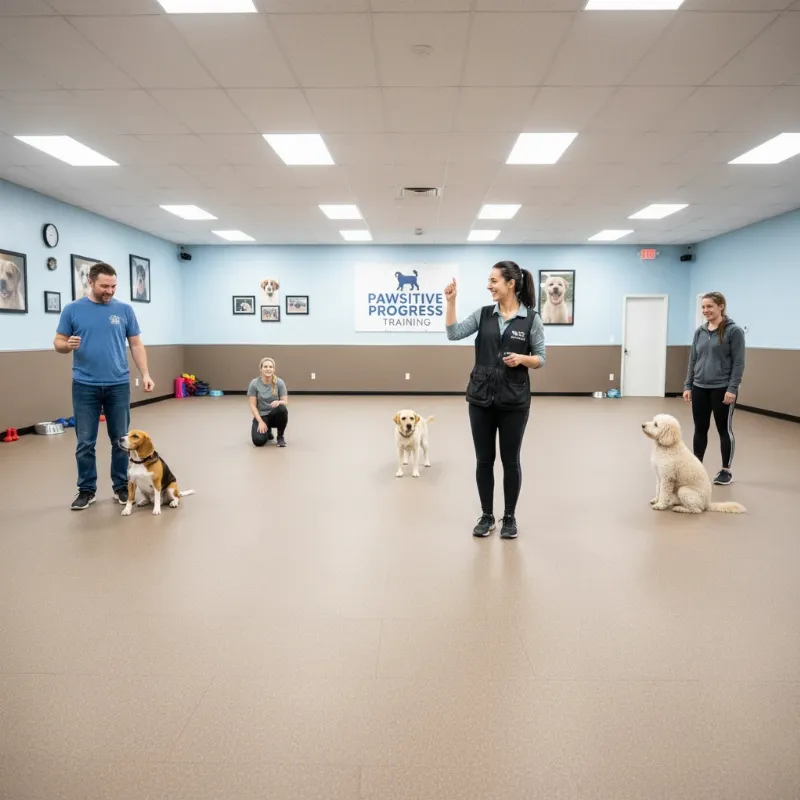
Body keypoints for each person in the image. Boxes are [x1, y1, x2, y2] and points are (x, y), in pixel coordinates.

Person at [445, 261, 546, 539]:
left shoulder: (531, 319)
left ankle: (510, 517)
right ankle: (487, 515)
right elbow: (453, 333)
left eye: (494, 281)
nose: (489, 286)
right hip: (480, 398)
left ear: (510, 283)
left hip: (514, 400)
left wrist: (522, 359)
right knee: (483, 460)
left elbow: (541, 358)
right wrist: (451, 302)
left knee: (510, 461)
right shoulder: (483, 315)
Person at [54, 262, 154, 511]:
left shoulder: (124, 310)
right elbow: (58, 341)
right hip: (84, 385)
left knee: (121, 441)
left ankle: (121, 486)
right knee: (85, 442)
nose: (109, 291)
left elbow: (136, 344)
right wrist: (68, 346)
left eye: (113, 286)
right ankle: (86, 490)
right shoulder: (73, 310)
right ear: (90, 282)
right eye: (104, 286)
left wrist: (146, 374)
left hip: (118, 385)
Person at [683, 291, 745, 486]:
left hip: (722, 389)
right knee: (700, 429)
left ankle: (726, 470)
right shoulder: (699, 332)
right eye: (703, 307)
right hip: (699, 387)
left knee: (723, 430)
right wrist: (688, 385)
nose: (705, 310)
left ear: (721, 306)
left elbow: (739, 363)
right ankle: (697, 468)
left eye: (709, 306)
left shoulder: (733, 331)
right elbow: (693, 360)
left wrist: (732, 388)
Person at [248, 357, 289, 447]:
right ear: (261, 369)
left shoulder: (279, 382)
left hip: (274, 415)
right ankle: (268, 431)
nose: (268, 369)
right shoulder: (254, 383)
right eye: (265, 366)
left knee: (282, 409)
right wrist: (260, 422)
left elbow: (285, 401)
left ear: (274, 369)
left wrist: (279, 402)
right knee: (258, 441)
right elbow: (252, 405)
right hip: (261, 416)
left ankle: (280, 437)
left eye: (270, 367)